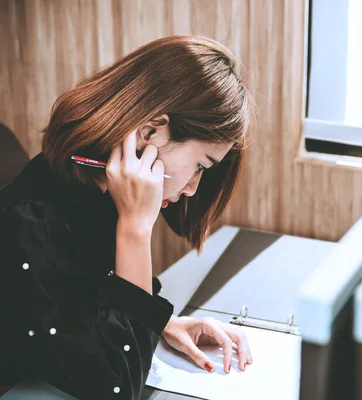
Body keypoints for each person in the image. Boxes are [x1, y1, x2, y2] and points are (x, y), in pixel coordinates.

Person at [0, 35, 255, 399]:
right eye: (200, 165)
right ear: (151, 131)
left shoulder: (97, 188)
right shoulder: (29, 222)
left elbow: (95, 298)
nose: (194, 188)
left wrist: (167, 323)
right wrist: (136, 228)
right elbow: (116, 387)